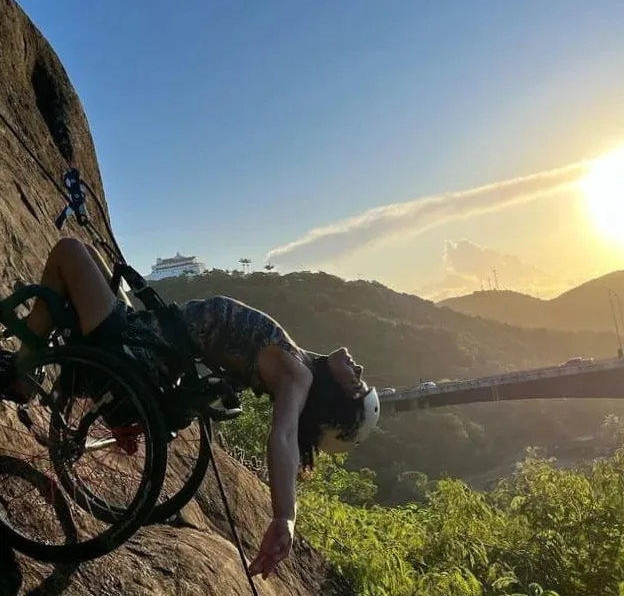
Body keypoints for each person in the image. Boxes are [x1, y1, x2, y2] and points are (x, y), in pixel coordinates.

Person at [0, 237, 381, 578]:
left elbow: (283, 436)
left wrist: (285, 516)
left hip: (142, 346)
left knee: (69, 251)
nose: (358, 366)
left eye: (358, 382)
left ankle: (21, 373)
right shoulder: (303, 362)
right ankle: (35, 360)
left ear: (334, 399)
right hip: (154, 340)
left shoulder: (297, 377)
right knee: (93, 257)